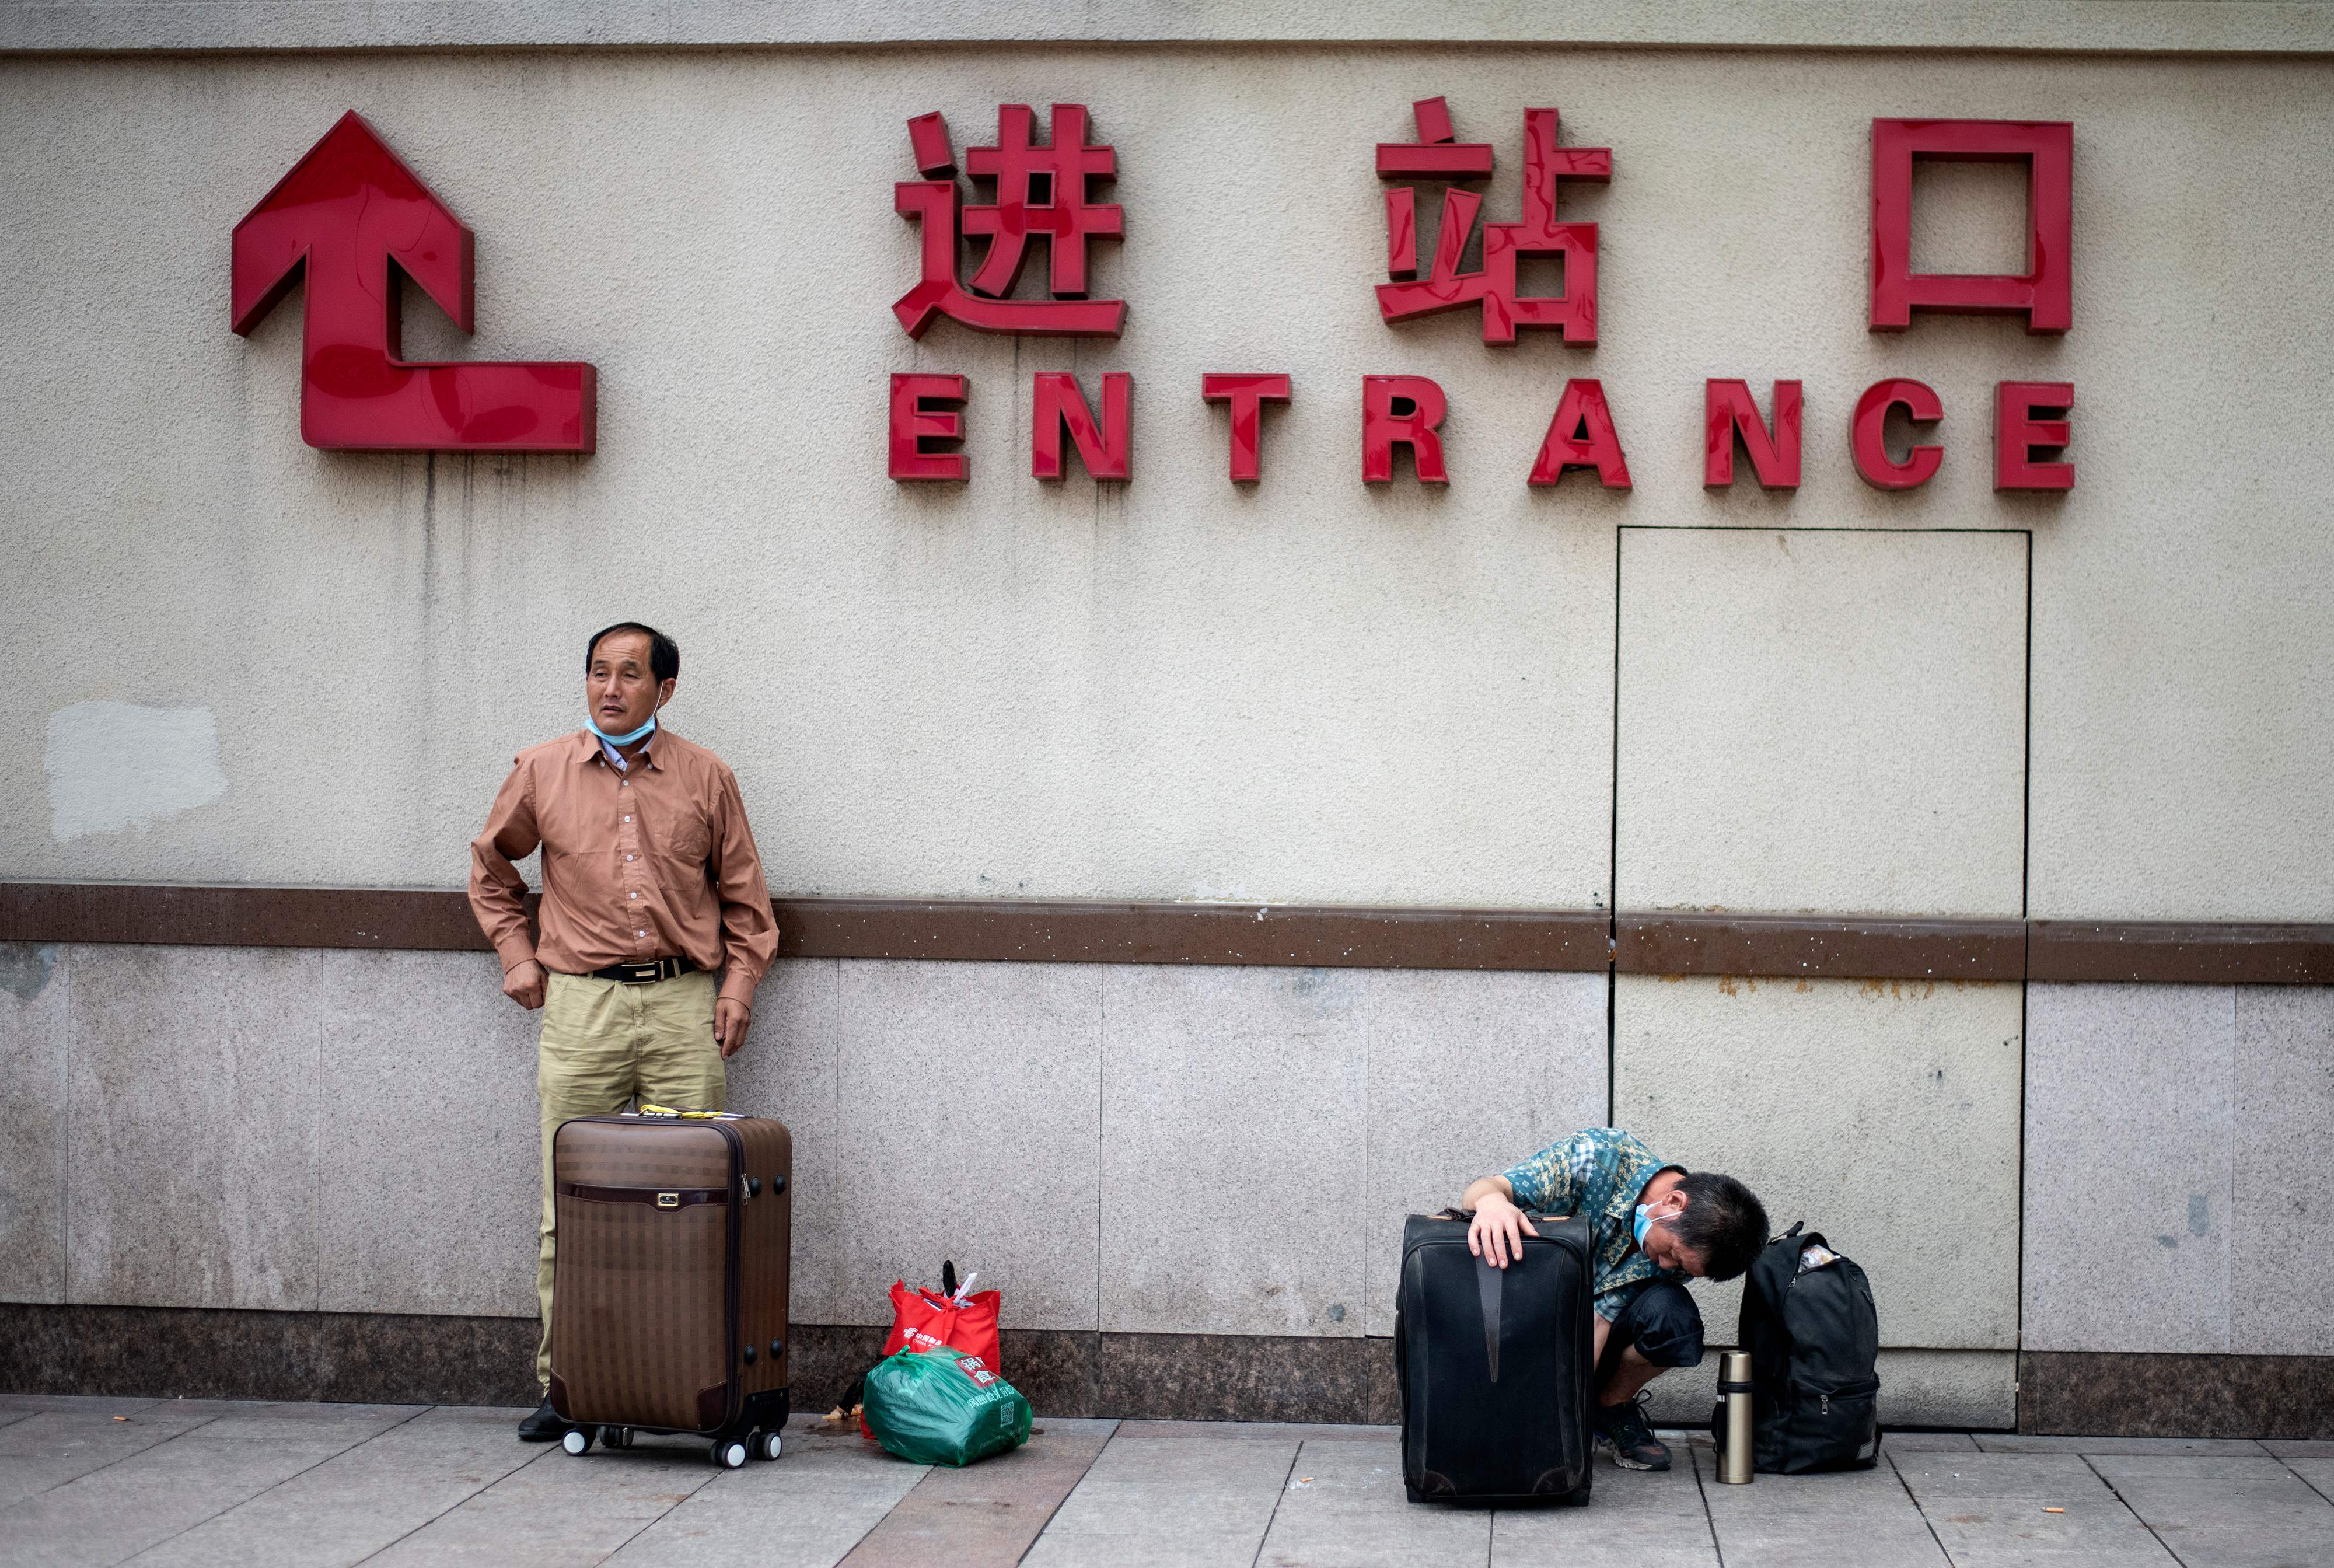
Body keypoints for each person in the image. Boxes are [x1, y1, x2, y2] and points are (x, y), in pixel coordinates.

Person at [469, 621, 779, 1441]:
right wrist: (516, 954)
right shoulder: (540, 771)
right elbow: (492, 870)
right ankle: (566, 1384)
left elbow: (749, 902)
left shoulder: (707, 777)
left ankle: (701, 1385)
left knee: (704, 1204)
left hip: (684, 1006)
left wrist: (739, 986)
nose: (611, 687)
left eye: (630, 674)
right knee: (567, 1204)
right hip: (581, 1008)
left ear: (664, 689)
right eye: (598, 672)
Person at [1460, 1127, 1767, 1472]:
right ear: (1674, 1203)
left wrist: (1569, 1406)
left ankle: (1609, 1405)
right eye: (1673, 1255)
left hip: (1592, 1326)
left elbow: (1601, 1316)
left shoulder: (1683, 1250)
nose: (1666, 1267)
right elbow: (1485, 1188)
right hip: (1527, 1316)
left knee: (1674, 1321)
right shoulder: (1597, 1157)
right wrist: (1492, 1205)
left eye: (1681, 1268)